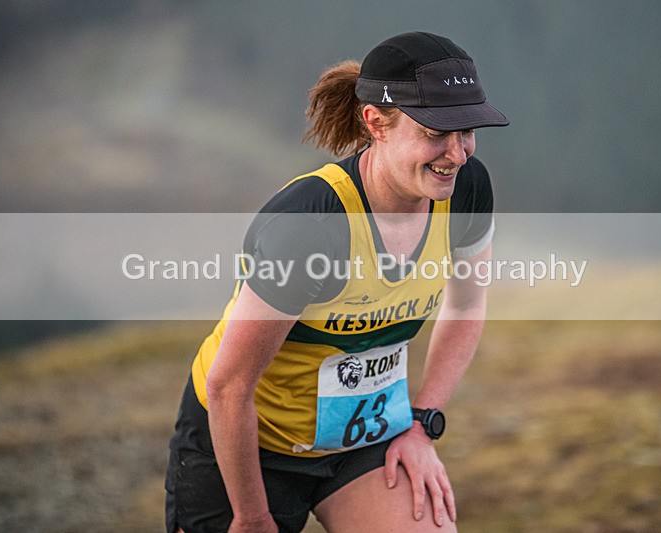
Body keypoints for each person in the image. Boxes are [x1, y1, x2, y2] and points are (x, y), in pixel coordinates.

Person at [165, 31, 509, 533]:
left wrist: (421, 426)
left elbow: (465, 308)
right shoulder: (314, 225)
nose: (456, 154)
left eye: (468, 130)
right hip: (247, 444)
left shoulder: (466, 189)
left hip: (363, 445)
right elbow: (228, 384)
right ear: (376, 123)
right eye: (437, 132)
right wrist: (253, 517)